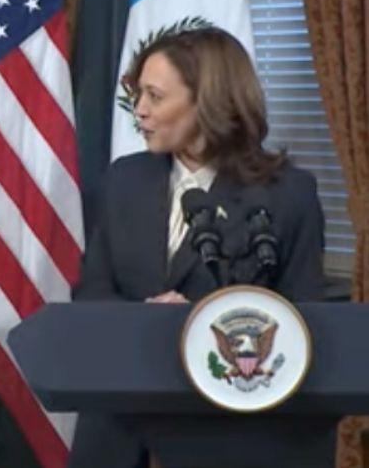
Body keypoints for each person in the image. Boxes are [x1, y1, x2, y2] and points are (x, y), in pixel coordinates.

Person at [68, 26, 325, 468]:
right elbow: (91, 294)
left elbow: (305, 323)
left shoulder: (287, 194)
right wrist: (143, 319)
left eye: (155, 96)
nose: (140, 112)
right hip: (119, 433)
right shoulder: (122, 181)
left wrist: (200, 324)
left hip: (229, 434)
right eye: (138, 95)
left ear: (209, 101)